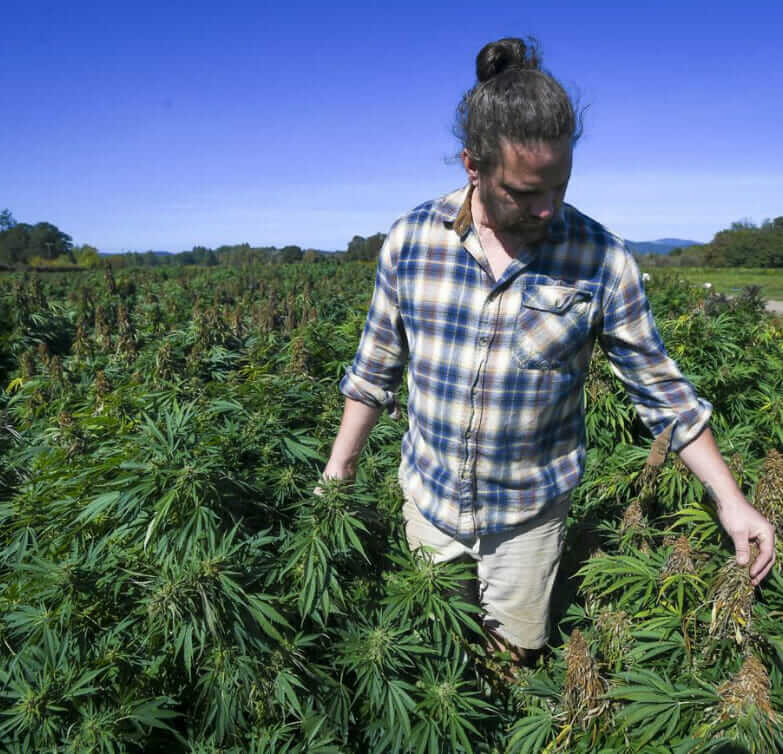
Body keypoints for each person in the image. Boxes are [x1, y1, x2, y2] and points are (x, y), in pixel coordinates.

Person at [318, 37, 775, 667]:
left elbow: (661, 390)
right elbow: (375, 367)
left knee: (511, 662)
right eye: (524, 191)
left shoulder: (601, 259)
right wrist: (340, 466)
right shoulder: (411, 241)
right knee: (434, 657)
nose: (547, 207)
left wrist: (731, 500)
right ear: (472, 166)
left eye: (560, 185)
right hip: (429, 503)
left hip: (528, 521)